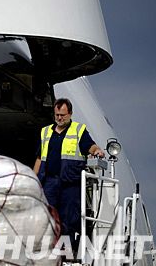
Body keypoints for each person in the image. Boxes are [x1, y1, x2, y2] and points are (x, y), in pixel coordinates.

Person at [33, 98, 104, 249]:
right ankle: (48, 252)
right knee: (47, 218)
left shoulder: (78, 130)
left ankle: (66, 254)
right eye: (57, 115)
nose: (59, 118)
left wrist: (96, 150)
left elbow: (89, 146)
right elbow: (40, 157)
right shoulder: (45, 132)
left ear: (70, 114)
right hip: (50, 183)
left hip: (70, 183)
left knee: (68, 220)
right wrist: (32, 178)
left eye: (63, 115)